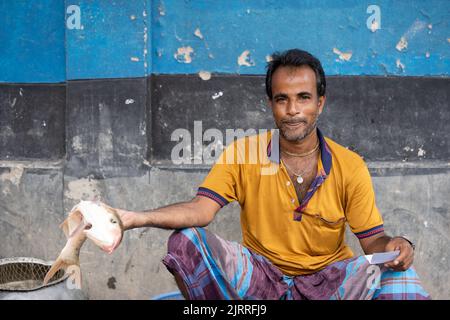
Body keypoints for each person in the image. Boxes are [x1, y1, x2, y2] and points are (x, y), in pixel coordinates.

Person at [113, 49, 430, 300]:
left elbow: (373, 241)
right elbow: (200, 210)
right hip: (260, 278)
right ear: (271, 105)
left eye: (303, 98)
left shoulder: (349, 165)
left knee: (401, 279)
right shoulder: (244, 153)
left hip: (329, 281)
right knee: (185, 242)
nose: (293, 110)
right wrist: (132, 217)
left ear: (320, 103)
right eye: (283, 99)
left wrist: (396, 245)